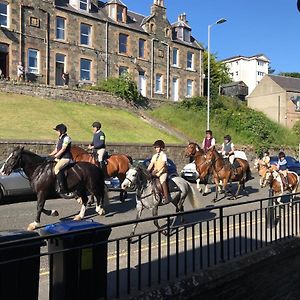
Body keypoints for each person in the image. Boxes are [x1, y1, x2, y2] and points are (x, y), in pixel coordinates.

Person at [49, 123, 73, 193]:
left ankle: (62, 187)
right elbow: (56, 150)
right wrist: (49, 155)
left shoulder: (67, 138)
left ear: (61, 131)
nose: (56, 132)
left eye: (57, 131)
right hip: (60, 158)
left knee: (57, 168)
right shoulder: (59, 139)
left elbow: (63, 149)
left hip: (66, 158)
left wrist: (55, 156)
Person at [147, 140, 171, 204]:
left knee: (162, 181)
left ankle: (166, 197)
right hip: (155, 172)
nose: (156, 149)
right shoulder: (154, 156)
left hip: (163, 172)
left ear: (161, 148)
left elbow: (163, 164)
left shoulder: (164, 155)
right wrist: (147, 170)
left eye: (157, 147)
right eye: (155, 147)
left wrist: (157, 171)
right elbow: (151, 164)